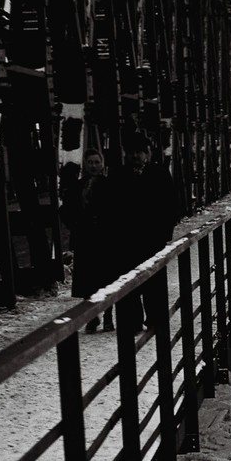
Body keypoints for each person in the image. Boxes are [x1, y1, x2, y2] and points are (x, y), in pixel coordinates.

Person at [112, 133, 179, 336]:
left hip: (152, 238)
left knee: (154, 281)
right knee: (128, 280)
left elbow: (171, 205)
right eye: (131, 152)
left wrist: (165, 232)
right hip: (127, 239)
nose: (135, 156)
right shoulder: (118, 175)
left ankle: (155, 319)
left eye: (139, 152)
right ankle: (132, 322)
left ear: (147, 153)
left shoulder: (159, 174)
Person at [63, 149, 116, 333]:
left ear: (102, 164)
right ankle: (92, 317)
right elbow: (66, 210)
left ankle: (108, 316)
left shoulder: (110, 186)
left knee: (106, 278)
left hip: (104, 239)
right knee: (88, 281)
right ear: (85, 165)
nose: (93, 166)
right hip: (85, 239)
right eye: (90, 162)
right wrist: (75, 225)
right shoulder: (78, 186)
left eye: (96, 162)